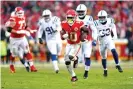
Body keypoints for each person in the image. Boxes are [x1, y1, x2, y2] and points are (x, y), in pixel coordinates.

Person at [5, 7, 37, 73]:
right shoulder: (13, 19)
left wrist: (30, 30)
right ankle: (11, 66)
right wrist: (17, 31)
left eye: (21, 13)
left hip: (22, 38)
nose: (20, 14)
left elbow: (25, 26)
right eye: (19, 13)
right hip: (14, 39)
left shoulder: (23, 17)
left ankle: (32, 66)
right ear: (16, 13)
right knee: (14, 54)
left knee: (27, 51)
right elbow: (9, 29)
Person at [61, 9, 89, 82]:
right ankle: (73, 76)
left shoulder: (79, 23)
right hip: (69, 44)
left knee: (70, 56)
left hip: (76, 44)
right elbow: (62, 32)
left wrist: (84, 37)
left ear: (75, 17)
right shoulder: (64, 23)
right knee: (66, 61)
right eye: (68, 18)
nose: (70, 19)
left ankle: (76, 59)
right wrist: (63, 36)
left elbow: (86, 30)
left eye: (71, 18)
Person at [94, 10, 123, 77]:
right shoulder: (95, 23)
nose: (101, 18)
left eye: (103, 17)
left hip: (109, 39)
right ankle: (105, 70)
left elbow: (113, 27)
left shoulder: (110, 20)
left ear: (106, 16)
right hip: (101, 42)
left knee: (113, 50)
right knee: (103, 57)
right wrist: (98, 35)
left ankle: (117, 65)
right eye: (100, 17)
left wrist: (115, 35)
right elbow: (94, 33)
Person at [76, 4, 97, 79]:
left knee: (87, 56)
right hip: (78, 40)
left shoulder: (89, 18)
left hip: (87, 40)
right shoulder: (75, 18)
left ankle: (86, 72)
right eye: (79, 12)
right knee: (77, 57)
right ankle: (78, 61)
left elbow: (94, 29)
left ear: (85, 11)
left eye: (82, 11)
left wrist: (94, 39)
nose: (80, 13)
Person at [37, 9, 62, 73]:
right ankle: (56, 68)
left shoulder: (55, 19)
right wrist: (39, 38)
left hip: (57, 38)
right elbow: (40, 30)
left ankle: (58, 56)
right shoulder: (42, 22)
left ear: (50, 15)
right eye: (45, 16)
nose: (46, 17)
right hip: (50, 40)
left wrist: (56, 30)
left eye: (47, 15)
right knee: (53, 53)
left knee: (59, 50)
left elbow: (60, 27)